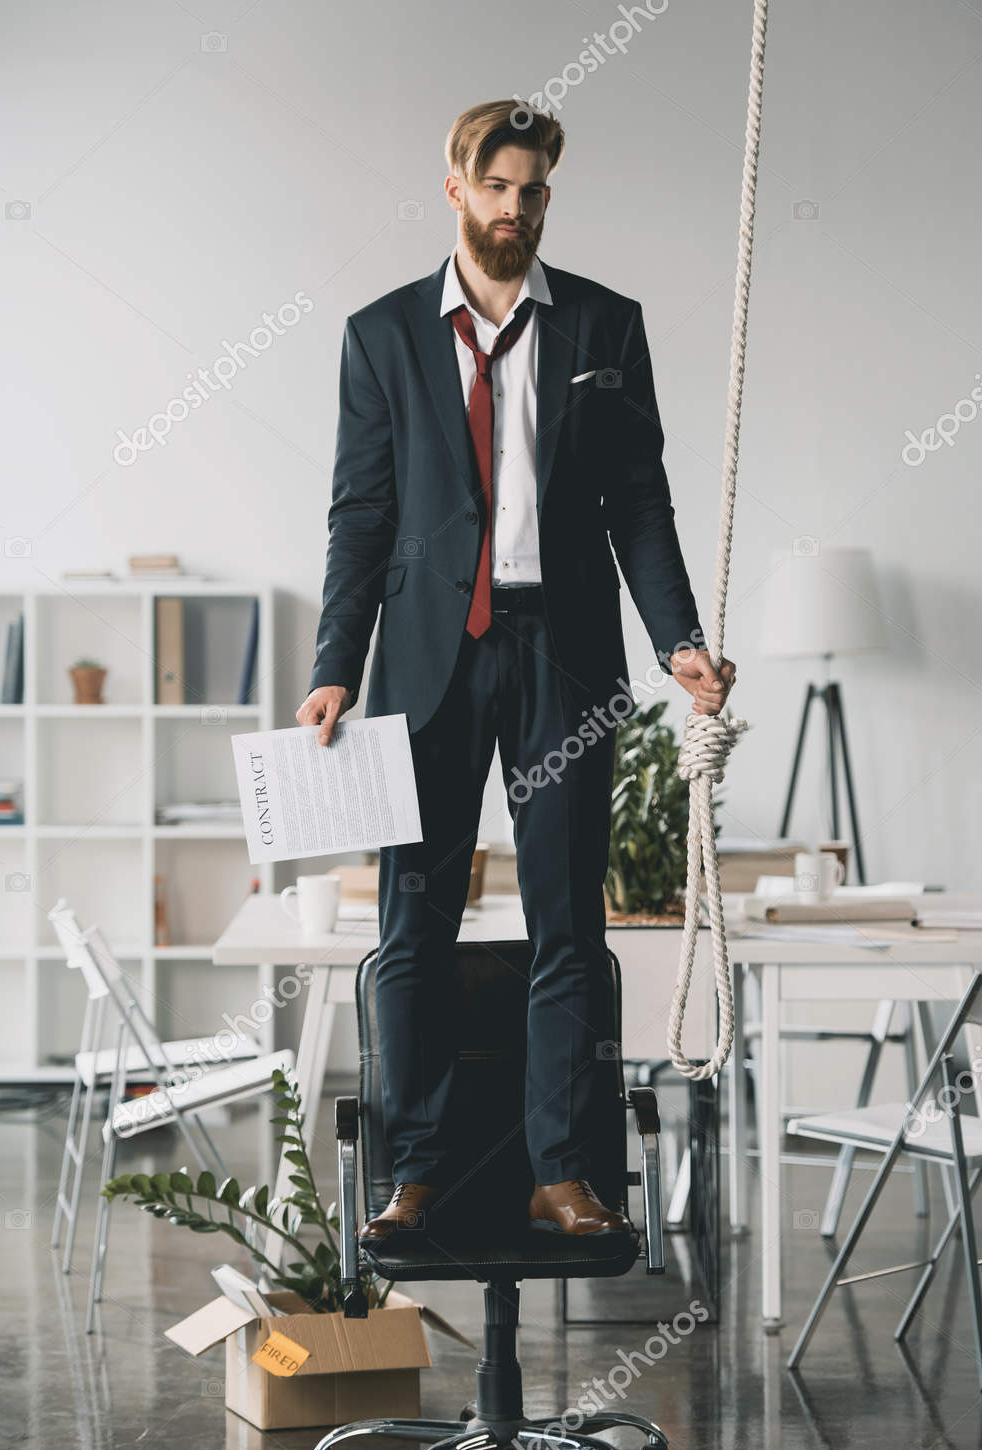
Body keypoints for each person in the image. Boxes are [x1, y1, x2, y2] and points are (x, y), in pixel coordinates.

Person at [297, 98, 736, 1243]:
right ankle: (417, 1173)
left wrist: (678, 635)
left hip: (565, 655)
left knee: (567, 926)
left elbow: (640, 501)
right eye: (498, 188)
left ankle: (562, 1170)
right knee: (412, 924)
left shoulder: (605, 325)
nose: (516, 209)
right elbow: (361, 514)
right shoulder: (381, 334)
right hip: (426, 664)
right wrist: (335, 665)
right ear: (457, 189)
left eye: (534, 191)